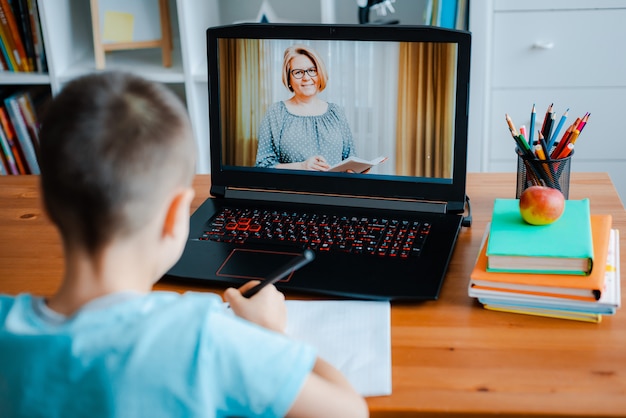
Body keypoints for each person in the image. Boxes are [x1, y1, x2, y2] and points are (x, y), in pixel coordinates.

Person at [0, 72, 368, 418]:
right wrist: (270, 334)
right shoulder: (201, 341)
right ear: (176, 212)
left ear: (46, 201)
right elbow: (350, 411)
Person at [256, 44, 355, 171]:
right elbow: (263, 166)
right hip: (292, 190)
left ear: (320, 74)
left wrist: (356, 169)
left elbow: (350, 158)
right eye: (298, 72)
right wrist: (302, 166)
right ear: (289, 79)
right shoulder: (276, 113)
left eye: (312, 70)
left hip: (334, 190)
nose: (306, 78)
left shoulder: (336, 112)